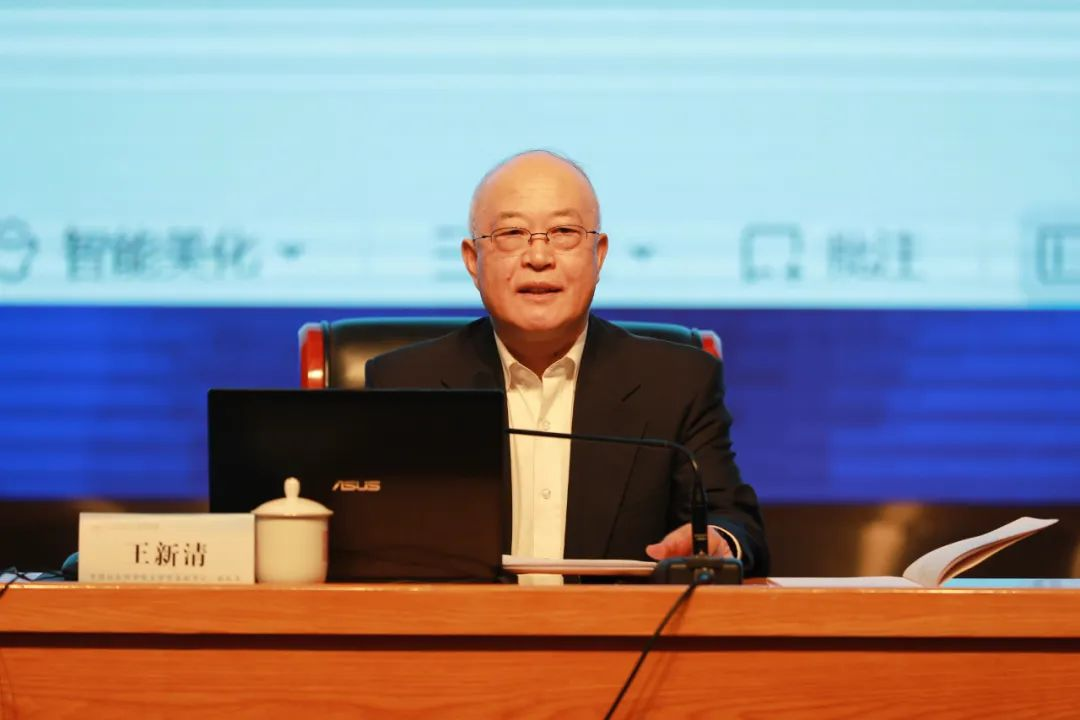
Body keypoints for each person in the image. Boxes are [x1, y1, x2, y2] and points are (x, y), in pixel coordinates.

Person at [365, 150, 768, 576]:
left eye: (563, 232)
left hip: (620, 621)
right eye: (512, 233)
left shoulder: (676, 384)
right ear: (472, 260)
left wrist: (714, 541)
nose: (539, 257)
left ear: (599, 254)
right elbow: (368, 544)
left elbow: (733, 523)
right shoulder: (405, 384)